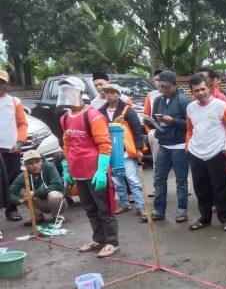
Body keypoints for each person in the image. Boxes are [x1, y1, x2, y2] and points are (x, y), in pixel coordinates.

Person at [59, 77, 119, 258]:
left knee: (104, 208)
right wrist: (67, 168)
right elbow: (67, 144)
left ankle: (112, 242)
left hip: (95, 172)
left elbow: (104, 144)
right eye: (63, 91)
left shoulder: (93, 115)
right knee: (89, 208)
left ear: (79, 93)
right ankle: (98, 239)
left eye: (68, 91)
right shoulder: (65, 118)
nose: (65, 95)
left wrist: (101, 170)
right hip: (78, 172)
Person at [185, 73, 226, 232]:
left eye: (202, 89)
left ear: (210, 88)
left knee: (221, 187)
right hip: (196, 153)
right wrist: (188, 145)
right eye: (196, 90)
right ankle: (205, 218)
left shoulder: (221, 106)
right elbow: (189, 129)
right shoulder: (190, 107)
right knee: (201, 189)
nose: (200, 93)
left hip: (216, 152)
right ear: (192, 92)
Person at [146, 70, 192, 223]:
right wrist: (150, 122)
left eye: (167, 87)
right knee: (159, 178)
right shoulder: (158, 100)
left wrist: (172, 121)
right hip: (164, 144)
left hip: (179, 145)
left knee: (181, 180)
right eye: (161, 87)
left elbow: (190, 125)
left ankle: (182, 210)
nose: (163, 90)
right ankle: (159, 210)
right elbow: (155, 120)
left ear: (175, 85)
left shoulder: (183, 100)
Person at [98, 84, 145, 216]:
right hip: (110, 152)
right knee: (118, 181)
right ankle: (125, 204)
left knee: (133, 180)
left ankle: (140, 206)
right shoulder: (100, 112)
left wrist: (139, 149)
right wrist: (114, 122)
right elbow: (98, 130)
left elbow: (137, 131)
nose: (109, 95)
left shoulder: (127, 110)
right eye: (107, 92)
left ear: (119, 94)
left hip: (125, 150)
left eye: (113, 92)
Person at [8, 150, 66, 226]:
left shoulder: (50, 167)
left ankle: (56, 216)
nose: (35, 165)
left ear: (41, 161)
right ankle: (37, 216)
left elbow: (57, 186)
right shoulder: (22, 176)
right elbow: (10, 193)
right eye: (30, 163)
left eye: (37, 162)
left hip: (58, 202)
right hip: (39, 203)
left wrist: (35, 192)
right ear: (25, 165)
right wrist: (20, 201)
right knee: (23, 191)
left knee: (54, 194)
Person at [0, 69, 28, 222]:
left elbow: (23, 124)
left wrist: (19, 142)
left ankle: (11, 209)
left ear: (8, 84)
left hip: (11, 148)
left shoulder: (14, 101)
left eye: (2, 82)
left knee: (13, 181)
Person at [144, 69, 164, 168]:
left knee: (179, 164)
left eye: (161, 79)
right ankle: (159, 183)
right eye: (156, 79)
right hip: (155, 131)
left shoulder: (174, 94)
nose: (158, 82)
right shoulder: (150, 95)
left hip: (174, 132)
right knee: (158, 163)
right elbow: (146, 115)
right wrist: (149, 131)